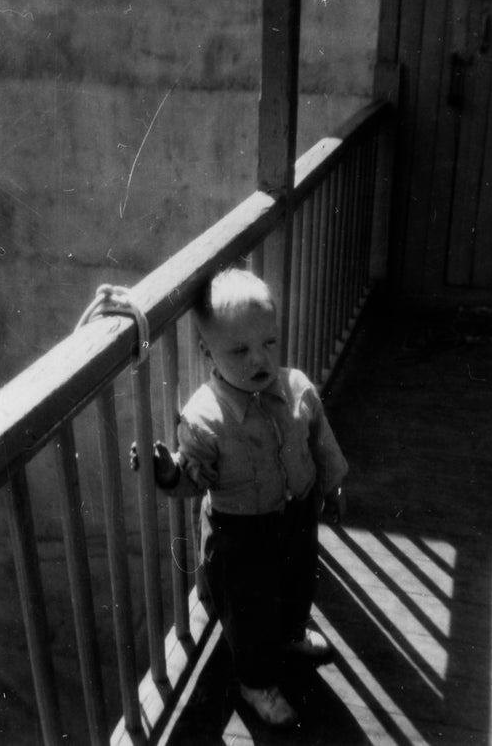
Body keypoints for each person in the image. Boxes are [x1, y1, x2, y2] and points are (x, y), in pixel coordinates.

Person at [132, 268, 348, 727]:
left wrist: (331, 484)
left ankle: (291, 633)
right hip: (240, 532)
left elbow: (319, 441)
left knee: (296, 583)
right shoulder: (203, 417)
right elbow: (195, 480)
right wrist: (170, 472)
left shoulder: (297, 388)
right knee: (249, 611)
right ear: (207, 351)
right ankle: (255, 681)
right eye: (240, 350)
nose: (259, 360)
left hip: (297, 514)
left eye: (269, 343)